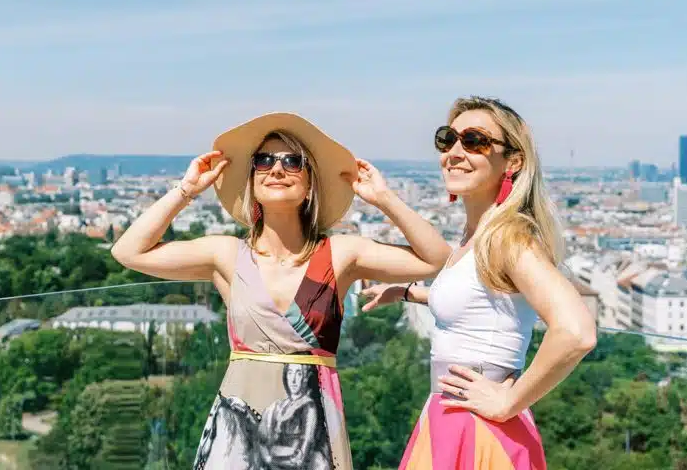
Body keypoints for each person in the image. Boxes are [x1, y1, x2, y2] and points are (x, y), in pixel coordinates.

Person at [111, 112, 448, 469]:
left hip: (311, 429)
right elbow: (127, 251)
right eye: (264, 160)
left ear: (310, 184)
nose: (276, 168)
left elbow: (435, 259)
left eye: (293, 161)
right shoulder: (227, 254)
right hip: (238, 429)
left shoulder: (340, 253)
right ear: (252, 179)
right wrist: (186, 191)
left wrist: (384, 199)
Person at [360, 96, 597, 469]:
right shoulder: (477, 236)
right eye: (447, 139)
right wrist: (409, 292)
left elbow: (577, 330)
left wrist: (509, 401)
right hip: (452, 415)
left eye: (475, 141)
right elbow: (484, 303)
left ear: (513, 161)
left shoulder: (507, 237)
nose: (455, 151)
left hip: (479, 425)